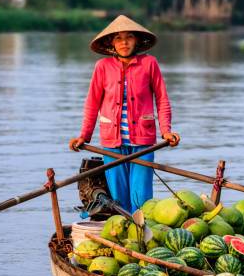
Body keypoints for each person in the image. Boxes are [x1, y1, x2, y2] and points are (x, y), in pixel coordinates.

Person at [69, 15, 180, 213]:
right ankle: (126, 235)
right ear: (112, 42)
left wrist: (166, 132)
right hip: (112, 144)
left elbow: (162, 99)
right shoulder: (102, 67)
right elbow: (92, 104)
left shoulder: (149, 64)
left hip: (142, 144)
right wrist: (83, 136)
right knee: (119, 199)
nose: (124, 42)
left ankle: (142, 236)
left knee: (141, 198)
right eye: (118, 38)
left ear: (137, 40)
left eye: (129, 37)